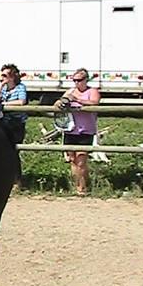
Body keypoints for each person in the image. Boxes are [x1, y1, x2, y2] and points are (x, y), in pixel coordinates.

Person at [55, 67, 101, 195]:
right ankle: (78, 185)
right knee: (72, 160)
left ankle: (83, 188)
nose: (76, 83)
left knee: (81, 160)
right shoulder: (70, 91)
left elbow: (94, 103)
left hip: (85, 130)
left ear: (86, 80)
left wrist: (77, 100)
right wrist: (60, 103)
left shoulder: (92, 91)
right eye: (74, 80)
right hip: (71, 129)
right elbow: (59, 102)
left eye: (79, 80)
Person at [0, 63, 28, 143]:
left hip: (17, 121)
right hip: (4, 120)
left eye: (4, 75)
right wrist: (0, 86)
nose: (2, 78)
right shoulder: (4, 88)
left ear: (12, 77)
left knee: (15, 144)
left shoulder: (20, 87)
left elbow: (21, 101)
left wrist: (4, 104)